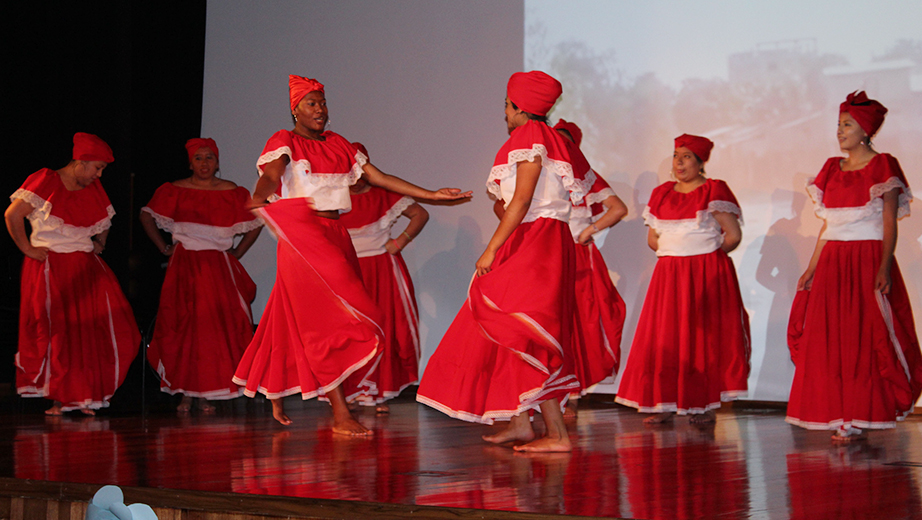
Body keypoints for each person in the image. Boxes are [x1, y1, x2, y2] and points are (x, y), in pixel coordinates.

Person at [232, 75, 470, 434]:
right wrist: (260, 193)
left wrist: (432, 195)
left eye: (323, 103)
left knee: (293, 316)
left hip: (336, 235)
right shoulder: (285, 140)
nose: (320, 110)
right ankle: (341, 413)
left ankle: (275, 389)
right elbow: (272, 173)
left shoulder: (340, 144)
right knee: (334, 321)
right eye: (312, 103)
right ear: (295, 108)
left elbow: (378, 176)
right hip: (304, 237)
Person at [417, 71, 587, 452]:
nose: (505, 115)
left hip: (535, 242)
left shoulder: (530, 139)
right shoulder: (553, 141)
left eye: (506, 107)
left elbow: (522, 202)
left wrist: (492, 247)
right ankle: (521, 422)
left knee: (524, 329)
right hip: (541, 241)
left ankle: (557, 434)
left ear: (518, 107)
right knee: (512, 329)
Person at [786, 91, 922, 443]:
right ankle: (838, 411)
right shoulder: (831, 168)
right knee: (833, 338)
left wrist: (884, 267)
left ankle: (860, 414)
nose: (840, 131)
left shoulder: (883, 166)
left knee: (865, 337)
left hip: (866, 259)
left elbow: (889, 223)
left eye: (846, 125)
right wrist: (812, 268)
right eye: (838, 124)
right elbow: (828, 225)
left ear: (865, 130)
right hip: (833, 261)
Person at [615, 134, 750, 425]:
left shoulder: (713, 190)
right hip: (669, 275)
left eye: (687, 156)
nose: (679, 162)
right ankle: (663, 401)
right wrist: (677, 257)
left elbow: (733, 235)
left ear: (701, 162)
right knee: (666, 337)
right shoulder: (662, 193)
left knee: (701, 339)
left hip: (703, 274)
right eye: (676, 155)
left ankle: (701, 404)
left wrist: (706, 259)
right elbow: (653, 240)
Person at [5, 132, 140, 415]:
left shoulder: (91, 187)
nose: (99, 175)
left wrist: (100, 243)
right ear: (81, 161)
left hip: (84, 266)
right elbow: (12, 214)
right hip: (50, 265)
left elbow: (105, 219)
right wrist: (27, 248)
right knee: (59, 332)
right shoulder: (47, 180)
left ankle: (85, 394)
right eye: (97, 167)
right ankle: (61, 397)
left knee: (97, 329)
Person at [140, 138, 263, 413]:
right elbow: (146, 216)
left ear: (217, 162)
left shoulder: (231, 191)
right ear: (190, 162)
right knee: (185, 327)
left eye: (209, 158)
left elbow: (257, 222)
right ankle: (186, 391)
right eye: (198, 158)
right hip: (185, 266)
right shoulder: (174, 190)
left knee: (214, 329)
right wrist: (164, 247)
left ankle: (208, 391)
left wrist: (238, 252)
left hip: (218, 268)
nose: (204, 163)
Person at [338, 142, 428, 413]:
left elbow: (419, 214)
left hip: (382, 271)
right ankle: (354, 389)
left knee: (386, 329)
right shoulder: (335, 199)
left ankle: (380, 392)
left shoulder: (383, 194)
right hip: (349, 272)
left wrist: (400, 241)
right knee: (351, 331)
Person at [553, 120, 628, 418]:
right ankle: (548, 391)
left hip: (577, 257)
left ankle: (571, 393)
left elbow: (618, 208)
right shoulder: (541, 175)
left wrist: (589, 230)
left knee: (576, 323)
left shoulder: (586, 178)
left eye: (564, 141)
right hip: (547, 256)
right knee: (550, 322)